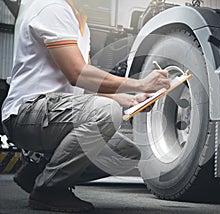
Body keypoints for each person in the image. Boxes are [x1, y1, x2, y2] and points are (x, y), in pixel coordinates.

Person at [1, 0, 170, 212]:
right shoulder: (52, 7)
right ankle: (49, 189)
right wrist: (140, 83)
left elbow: (86, 87)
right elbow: (77, 73)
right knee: (106, 111)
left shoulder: (79, 21)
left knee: (125, 154)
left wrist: (131, 99)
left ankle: (37, 172)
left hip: (59, 112)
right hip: (28, 112)